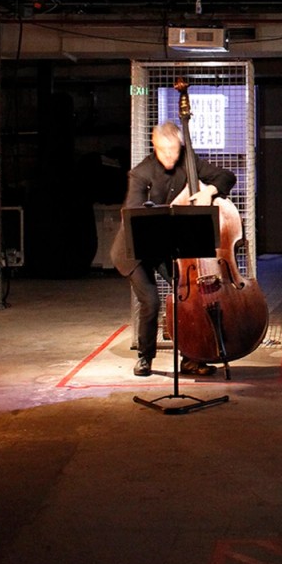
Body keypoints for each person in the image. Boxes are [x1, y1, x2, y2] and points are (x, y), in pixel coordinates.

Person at [111, 121, 236, 377]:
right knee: (151, 301)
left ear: (180, 147)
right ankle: (145, 357)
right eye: (164, 150)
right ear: (154, 146)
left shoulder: (188, 161)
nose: (170, 156)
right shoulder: (140, 173)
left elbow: (226, 176)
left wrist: (210, 192)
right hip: (134, 249)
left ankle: (190, 357)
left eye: (174, 150)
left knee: (188, 296)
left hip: (164, 244)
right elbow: (133, 215)